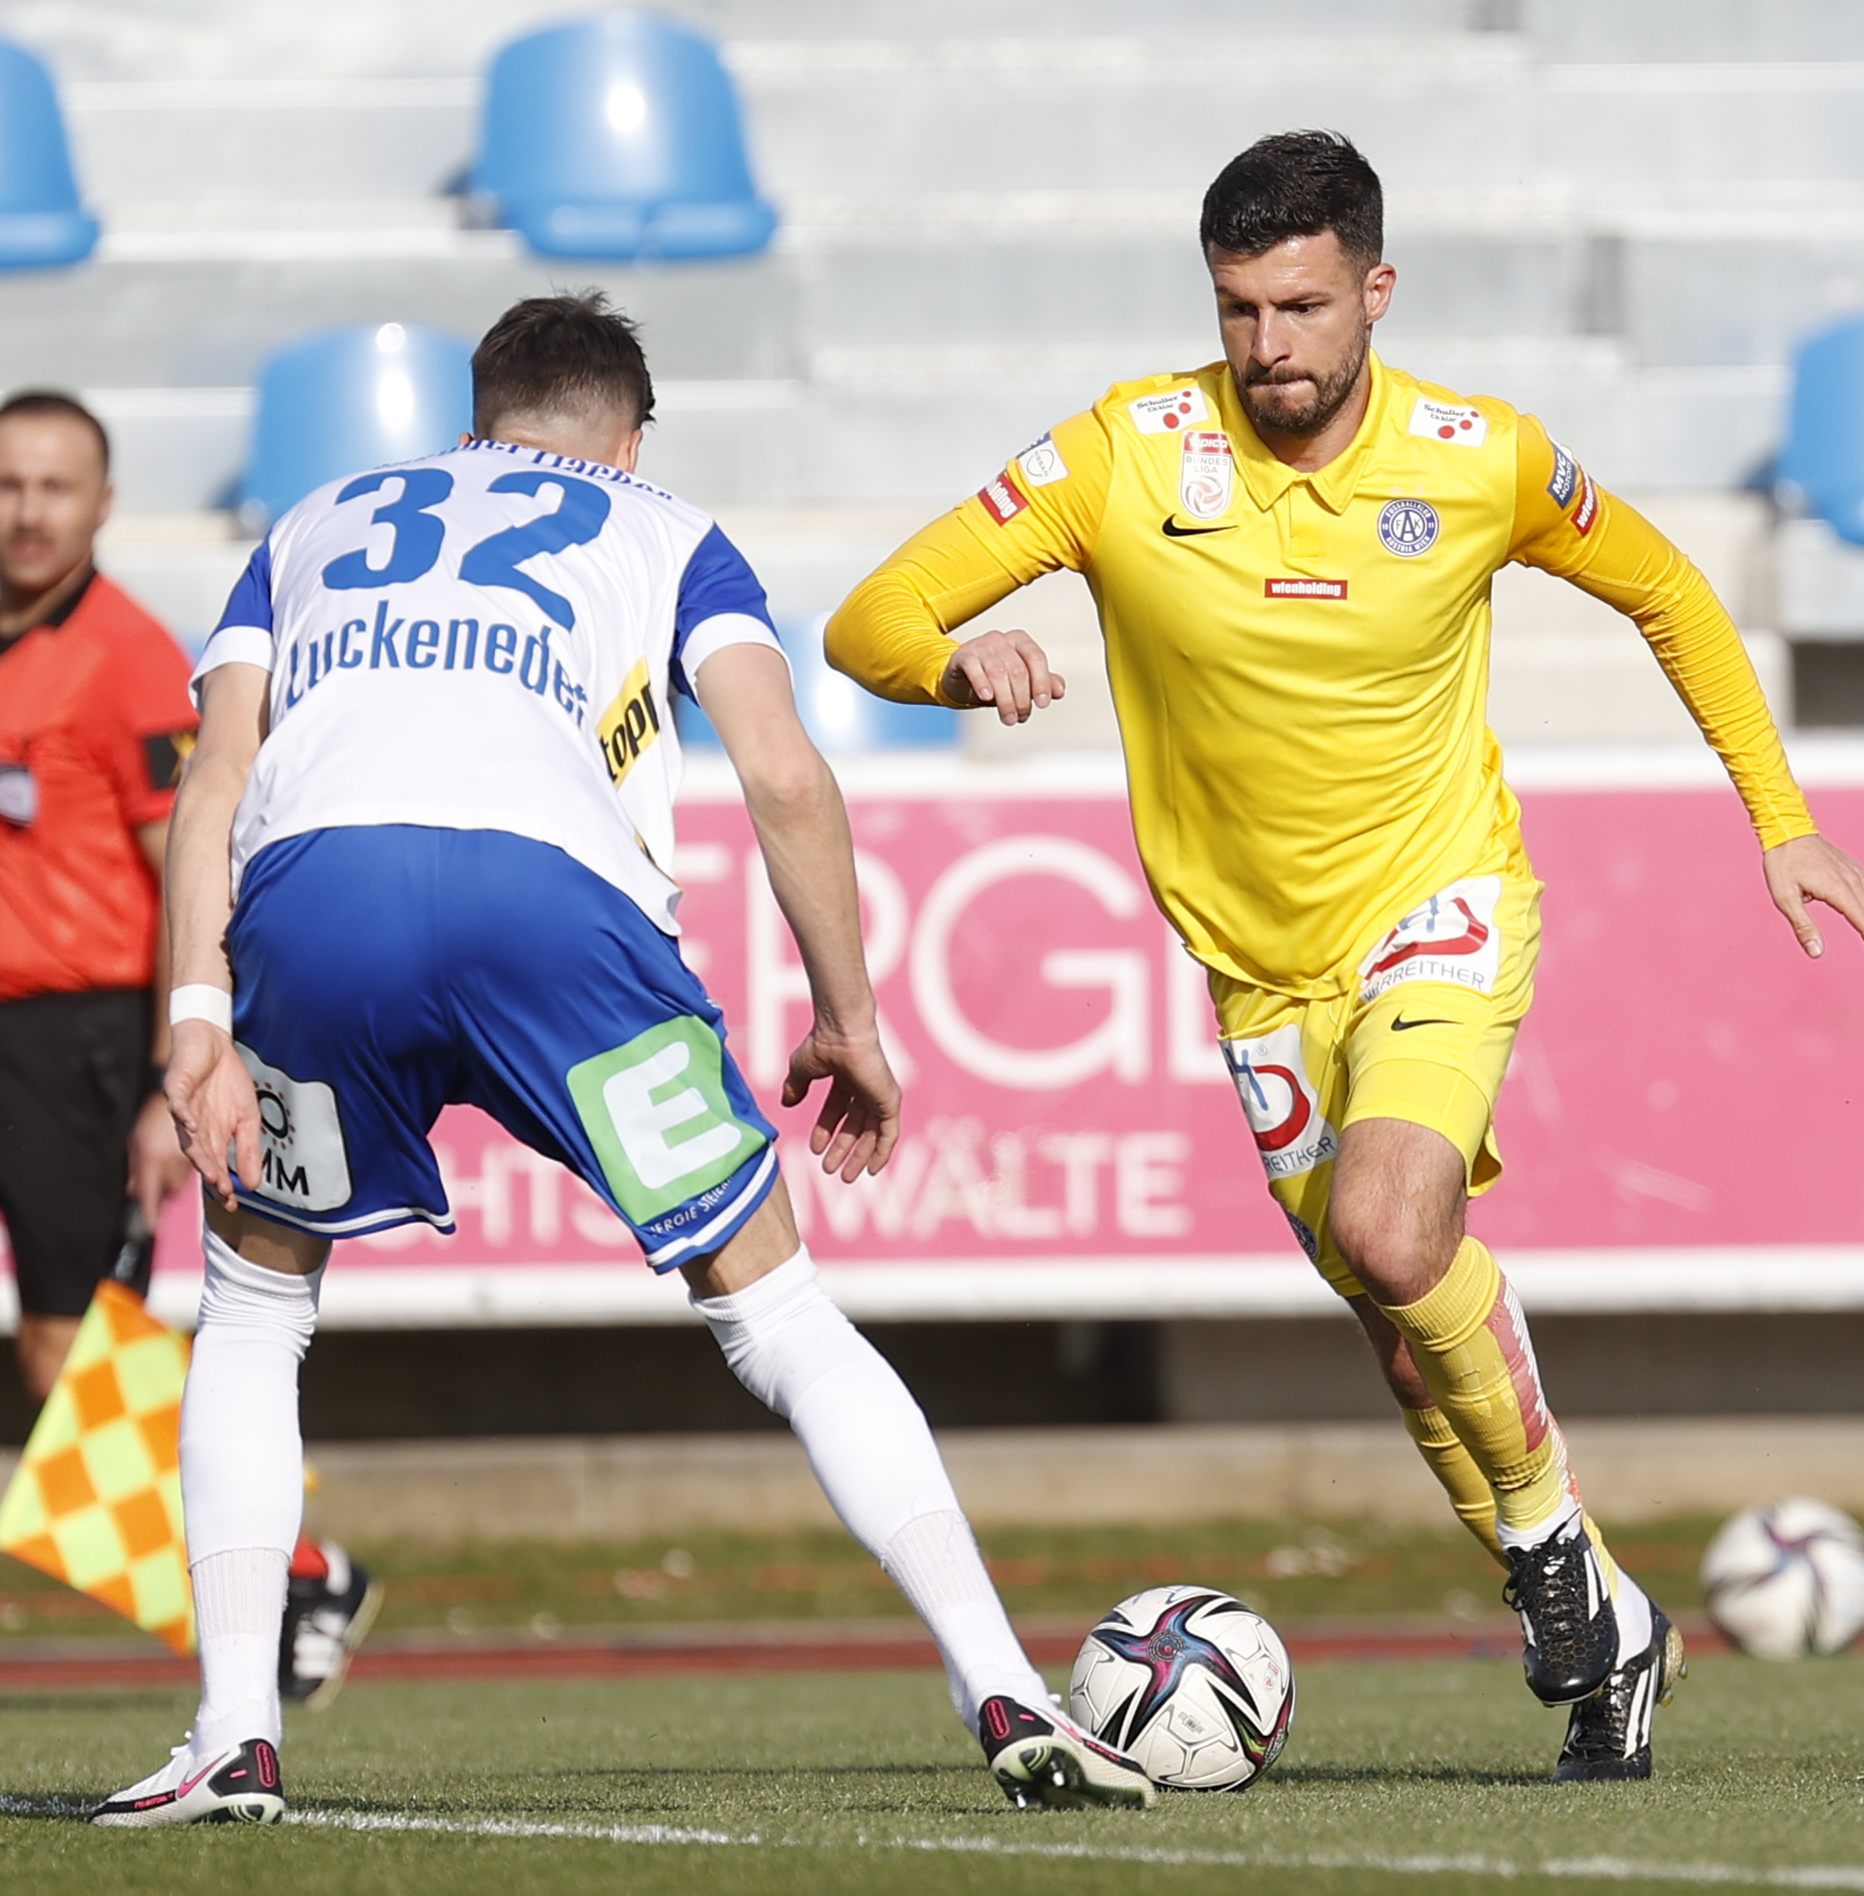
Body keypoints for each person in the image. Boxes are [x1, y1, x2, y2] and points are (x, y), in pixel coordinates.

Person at [824, 132, 1864, 1783]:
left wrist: (1781, 818)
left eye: (1304, 306)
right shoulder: (1124, 451)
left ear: (1375, 292)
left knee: (1399, 1225)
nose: (1271, 351)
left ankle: (1556, 1572)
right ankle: (1604, 1618)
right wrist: (959, 673)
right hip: (1257, 976)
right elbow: (871, 617)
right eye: (1241, 311)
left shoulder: (1481, 458)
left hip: (1440, 901)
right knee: (1403, 1323)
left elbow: (1670, 589)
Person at [90, 291, 1153, 1826]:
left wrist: (194, 1020)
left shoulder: (314, 520)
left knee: (257, 1313)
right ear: (631, 438)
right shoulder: (670, 527)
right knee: (780, 1313)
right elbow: (784, 773)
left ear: (469, 429)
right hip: (553, 911)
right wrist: (849, 1021)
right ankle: (1004, 1688)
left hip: (321, 903)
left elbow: (216, 786)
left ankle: (233, 1735)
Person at [0, 391, 378, 1705]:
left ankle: (299, 1566)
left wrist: (179, 1059)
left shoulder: (119, 659)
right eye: (9, 483)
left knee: (68, 1359)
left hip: (78, 1036)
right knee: (56, 1374)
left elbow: (188, 861)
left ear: (101, 506)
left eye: (55, 487)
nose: (28, 511)